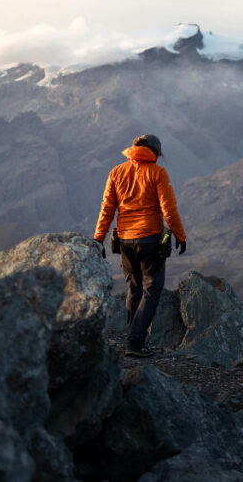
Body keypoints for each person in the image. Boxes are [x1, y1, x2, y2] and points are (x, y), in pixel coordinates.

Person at [94, 134, 187, 358]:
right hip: (150, 240)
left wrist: (98, 238)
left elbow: (107, 208)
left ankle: (132, 338)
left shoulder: (116, 172)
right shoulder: (157, 173)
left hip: (125, 241)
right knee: (151, 290)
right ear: (155, 152)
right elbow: (169, 209)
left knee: (133, 289)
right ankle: (136, 343)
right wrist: (179, 235)